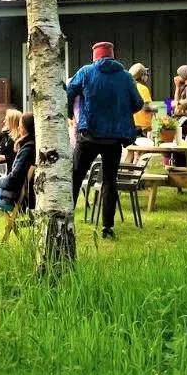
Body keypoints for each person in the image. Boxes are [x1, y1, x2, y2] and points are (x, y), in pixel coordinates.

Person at [67, 41, 144, 239]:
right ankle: (107, 228)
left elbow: (68, 92)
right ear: (112, 55)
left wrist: (71, 114)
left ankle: (66, 220)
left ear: (95, 56)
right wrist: (120, 112)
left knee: (75, 177)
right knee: (110, 181)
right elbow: (138, 103)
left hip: (89, 135)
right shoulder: (126, 76)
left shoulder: (85, 72)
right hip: (114, 139)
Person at [0, 111, 36, 212]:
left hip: (14, 195)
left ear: (26, 129)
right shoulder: (32, 145)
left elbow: (12, 180)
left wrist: (1, 181)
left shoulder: (26, 150)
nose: (18, 128)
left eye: (21, 126)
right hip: (18, 190)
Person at [0, 108, 23, 173]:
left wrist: (4, 157)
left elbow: (17, 157)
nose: (4, 121)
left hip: (11, 172)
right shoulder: (2, 134)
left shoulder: (19, 139)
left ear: (12, 122)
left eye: (6, 120)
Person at [129, 63, 155, 137]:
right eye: (146, 74)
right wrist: (155, 109)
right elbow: (146, 108)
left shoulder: (130, 88)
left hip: (132, 125)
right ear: (142, 77)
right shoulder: (143, 89)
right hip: (144, 128)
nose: (147, 76)